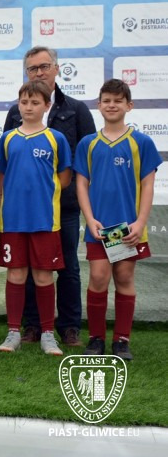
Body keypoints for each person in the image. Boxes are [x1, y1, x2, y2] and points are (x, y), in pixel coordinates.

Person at [3, 46, 96, 347]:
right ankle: (31, 326)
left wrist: (68, 194)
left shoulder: (76, 109)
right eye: (33, 68)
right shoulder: (14, 114)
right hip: (21, 212)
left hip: (61, 208)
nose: (39, 72)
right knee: (25, 270)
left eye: (44, 66)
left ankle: (68, 328)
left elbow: (85, 158)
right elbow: (7, 165)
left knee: (66, 268)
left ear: (56, 68)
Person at [75, 79, 161, 361]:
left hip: (128, 228)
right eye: (107, 100)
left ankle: (122, 340)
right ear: (98, 105)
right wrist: (90, 219)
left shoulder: (141, 142)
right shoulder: (88, 143)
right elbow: (81, 184)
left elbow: (148, 185)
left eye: (118, 101)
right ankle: (96, 338)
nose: (112, 105)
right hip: (99, 228)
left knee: (124, 277)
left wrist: (140, 223)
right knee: (98, 278)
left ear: (129, 105)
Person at [0, 80, 72, 356]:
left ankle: (48, 334)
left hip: (45, 220)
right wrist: (6, 206)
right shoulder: (7, 138)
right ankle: (13, 332)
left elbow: (64, 178)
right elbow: (1, 178)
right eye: (24, 102)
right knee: (16, 274)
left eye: (35, 102)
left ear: (46, 106)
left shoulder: (56, 138)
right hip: (13, 220)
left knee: (43, 275)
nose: (28, 107)